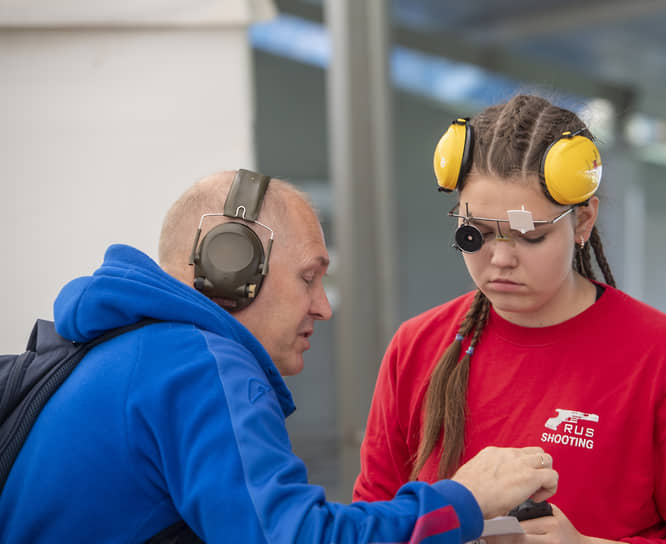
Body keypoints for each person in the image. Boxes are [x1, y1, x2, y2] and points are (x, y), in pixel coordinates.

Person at [0, 169, 559, 543]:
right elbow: (291, 537)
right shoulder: (197, 366)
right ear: (231, 269)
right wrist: (465, 499)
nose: (323, 307)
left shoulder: (119, 350)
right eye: (310, 278)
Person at [352, 94, 666, 544]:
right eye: (478, 233)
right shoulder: (418, 348)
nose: (501, 258)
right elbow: (371, 523)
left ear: (583, 221)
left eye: (531, 236)